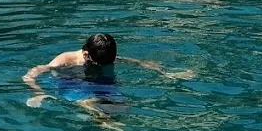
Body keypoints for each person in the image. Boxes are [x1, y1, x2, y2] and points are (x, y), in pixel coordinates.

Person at [23, 33, 193, 114]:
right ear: (86, 55)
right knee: (88, 103)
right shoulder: (64, 60)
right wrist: (38, 92)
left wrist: (165, 73)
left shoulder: (103, 55)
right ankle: (108, 128)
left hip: (99, 80)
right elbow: (31, 74)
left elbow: (138, 62)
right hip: (70, 80)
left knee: (122, 105)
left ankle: (115, 126)